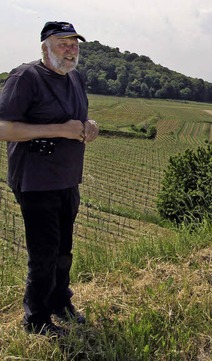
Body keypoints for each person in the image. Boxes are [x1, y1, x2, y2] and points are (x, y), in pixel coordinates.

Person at [0, 21, 99, 336]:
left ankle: (60, 301)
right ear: (45, 47)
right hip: (35, 180)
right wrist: (59, 129)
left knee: (64, 251)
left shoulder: (74, 77)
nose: (70, 50)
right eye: (63, 43)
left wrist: (90, 125)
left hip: (67, 179)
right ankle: (36, 319)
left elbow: (77, 120)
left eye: (74, 44)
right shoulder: (25, 77)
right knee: (43, 255)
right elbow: (4, 128)